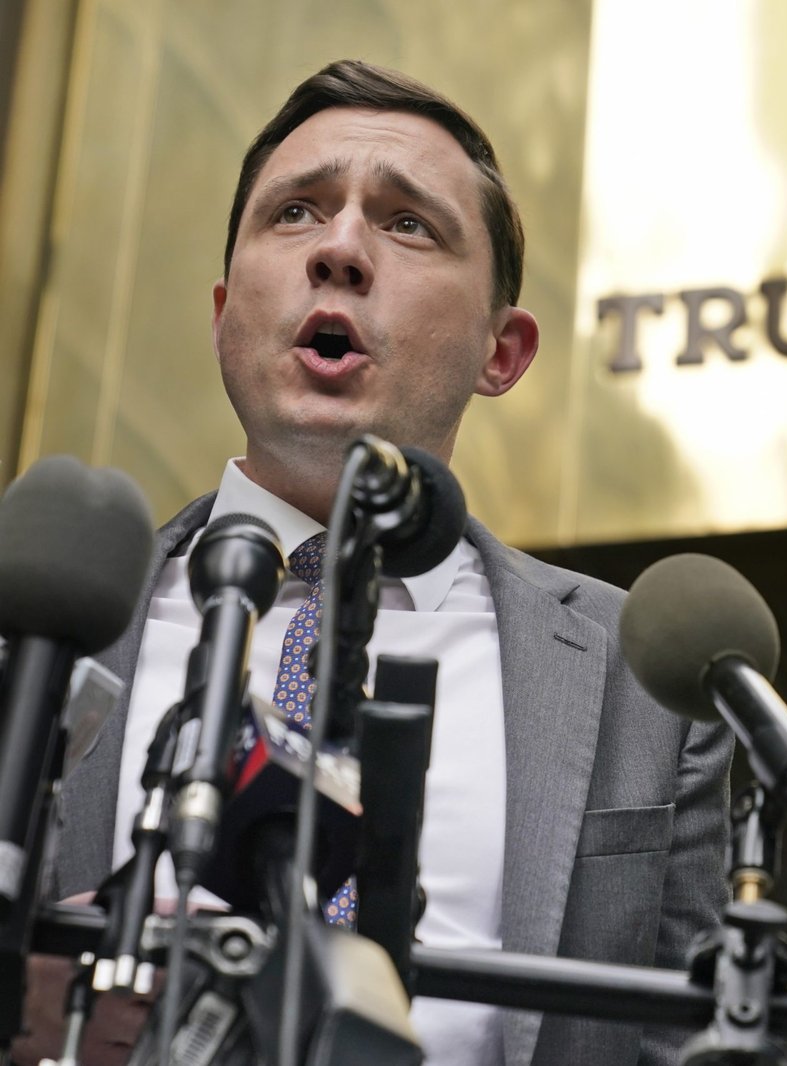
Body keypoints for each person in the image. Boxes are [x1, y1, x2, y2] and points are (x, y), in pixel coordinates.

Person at [16, 59, 732, 1066]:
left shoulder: (641, 678)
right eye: (295, 213)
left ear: (501, 351)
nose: (340, 250)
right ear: (223, 313)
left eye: (407, 224)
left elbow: (690, 1041)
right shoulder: (44, 623)